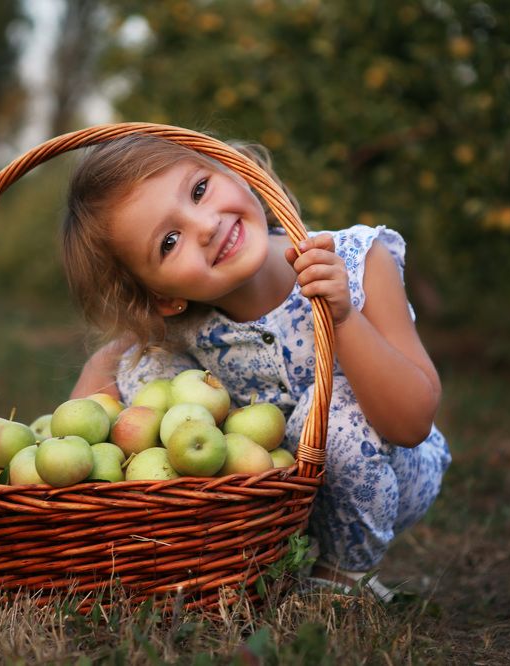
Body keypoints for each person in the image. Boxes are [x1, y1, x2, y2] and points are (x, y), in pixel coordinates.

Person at [62, 133, 451, 595]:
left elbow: (412, 423)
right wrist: (63, 455)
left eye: (199, 190)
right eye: (169, 241)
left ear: (238, 170)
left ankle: (341, 576)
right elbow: (109, 366)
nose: (205, 226)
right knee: (150, 381)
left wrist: (344, 317)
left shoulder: (353, 262)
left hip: (393, 472)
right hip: (276, 502)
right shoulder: (184, 331)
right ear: (163, 297)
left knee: (334, 414)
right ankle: (232, 558)